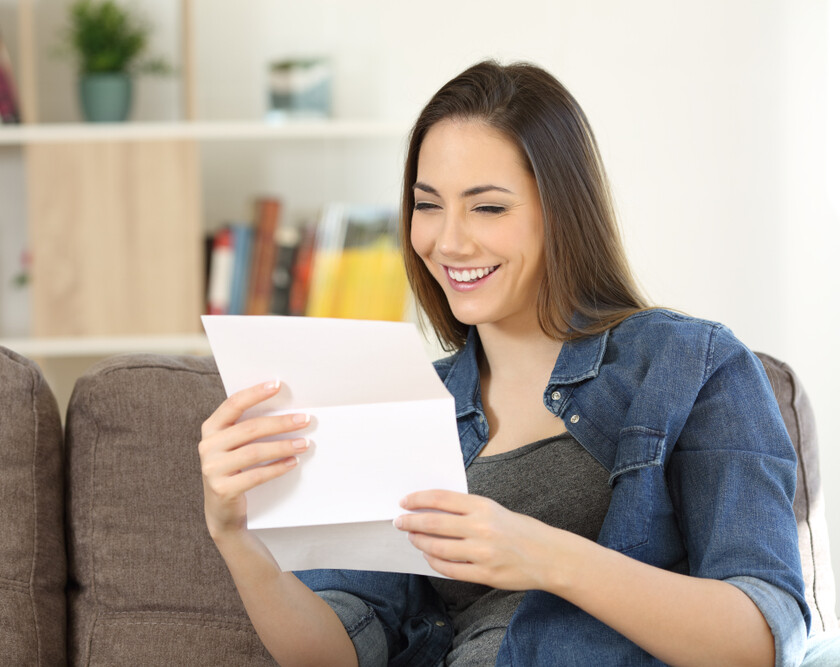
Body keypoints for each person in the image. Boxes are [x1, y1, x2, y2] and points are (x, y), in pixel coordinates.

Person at [198, 61, 812, 666]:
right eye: (428, 204)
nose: (449, 241)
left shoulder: (691, 366)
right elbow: (341, 648)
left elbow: (763, 639)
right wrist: (237, 537)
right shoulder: (404, 402)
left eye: (488, 208)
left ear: (561, 211)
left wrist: (544, 556)